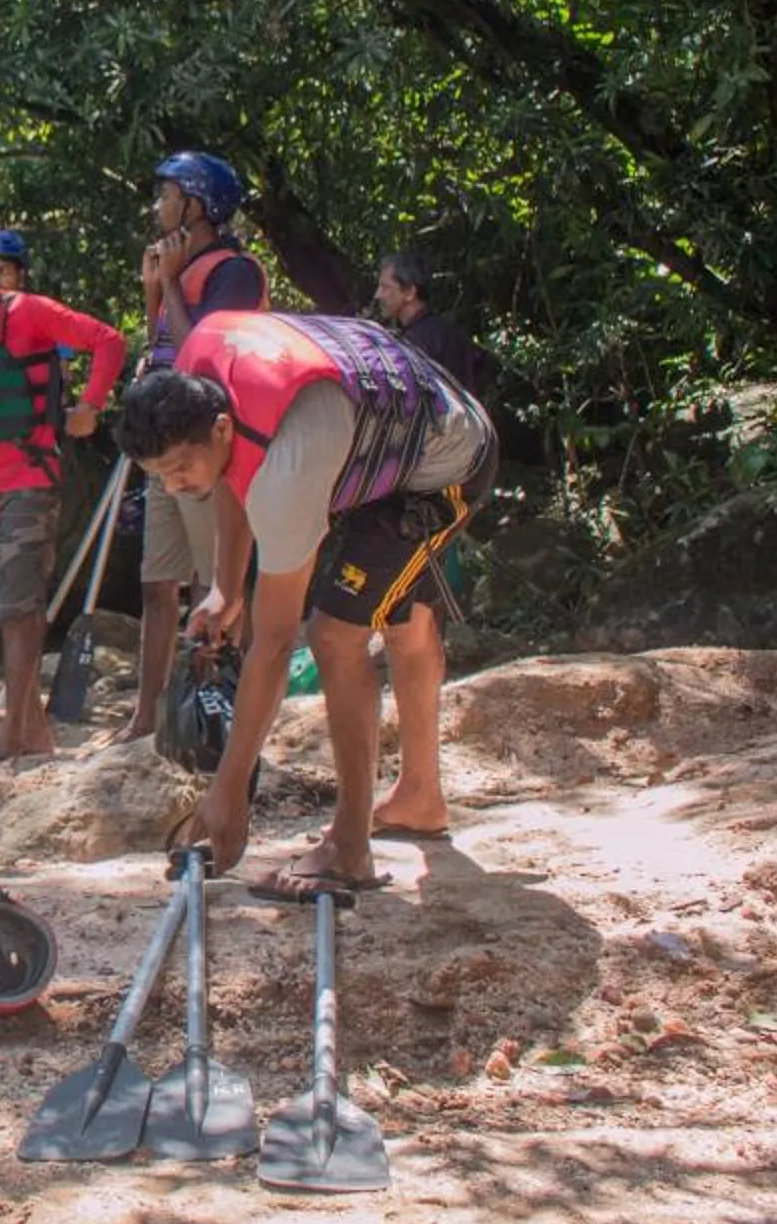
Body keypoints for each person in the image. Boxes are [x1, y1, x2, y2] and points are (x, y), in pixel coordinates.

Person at [111, 311, 496, 895]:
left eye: (180, 468)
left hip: (443, 463)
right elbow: (229, 473)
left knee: (334, 635)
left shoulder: (287, 473)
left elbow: (272, 645)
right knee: (406, 616)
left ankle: (349, 850)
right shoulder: (197, 370)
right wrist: (226, 588)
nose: (174, 486)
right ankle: (419, 797)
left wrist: (229, 790)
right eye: (158, 475)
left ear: (220, 428)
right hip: (400, 423)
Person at [0, 228, 127, 760]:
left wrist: (90, 406)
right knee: (2, 608)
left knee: (19, 610)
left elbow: (109, 341)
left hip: (29, 479)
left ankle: (10, 735)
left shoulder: (29, 311)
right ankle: (34, 733)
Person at [108, 151, 268, 747]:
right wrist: (154, 291)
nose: (159, 205)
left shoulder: (236, 272)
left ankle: (217, 712)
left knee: (213, 585)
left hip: (205, 450)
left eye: (169, 195)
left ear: (197, 206)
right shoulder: (178, 267)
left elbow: (202, 350)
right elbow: (163, 345)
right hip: (164, 448)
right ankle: (148, 715)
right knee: (157, 583)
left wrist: (171, 282)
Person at [374, 250, 490, 392]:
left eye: (385, 287)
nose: (377, 295)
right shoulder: (446, 330)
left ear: (409, 292)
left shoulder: (418, 341)